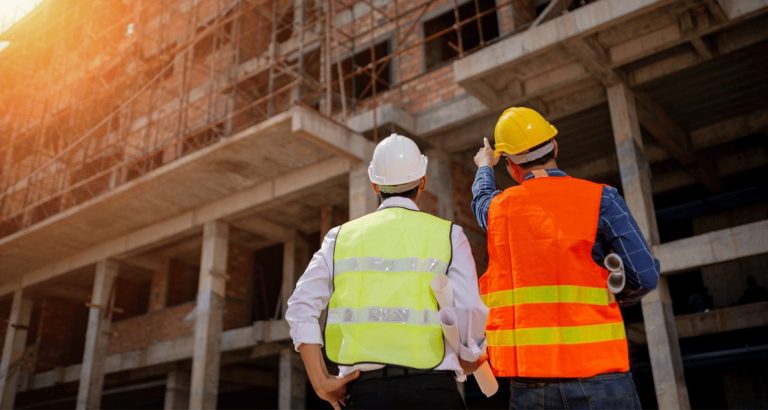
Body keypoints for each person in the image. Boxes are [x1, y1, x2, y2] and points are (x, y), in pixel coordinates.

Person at [471, 107, 660, 410]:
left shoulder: (499, 211)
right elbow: (645, 274)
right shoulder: (602, 199)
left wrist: (484, 166)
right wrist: (614, 295)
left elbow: (481, 200)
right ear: (555, 146)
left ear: (511, 167)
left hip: (532, 384)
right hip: (600, 375)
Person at [286, 133, 488, 410]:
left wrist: (321, 382)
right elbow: (469, 308)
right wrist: (469, 353)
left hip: (366, 394)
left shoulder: (340, 237)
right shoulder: (449, 235)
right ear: (423, 182)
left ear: (374, 185)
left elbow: (301, 306)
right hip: (433, 391)